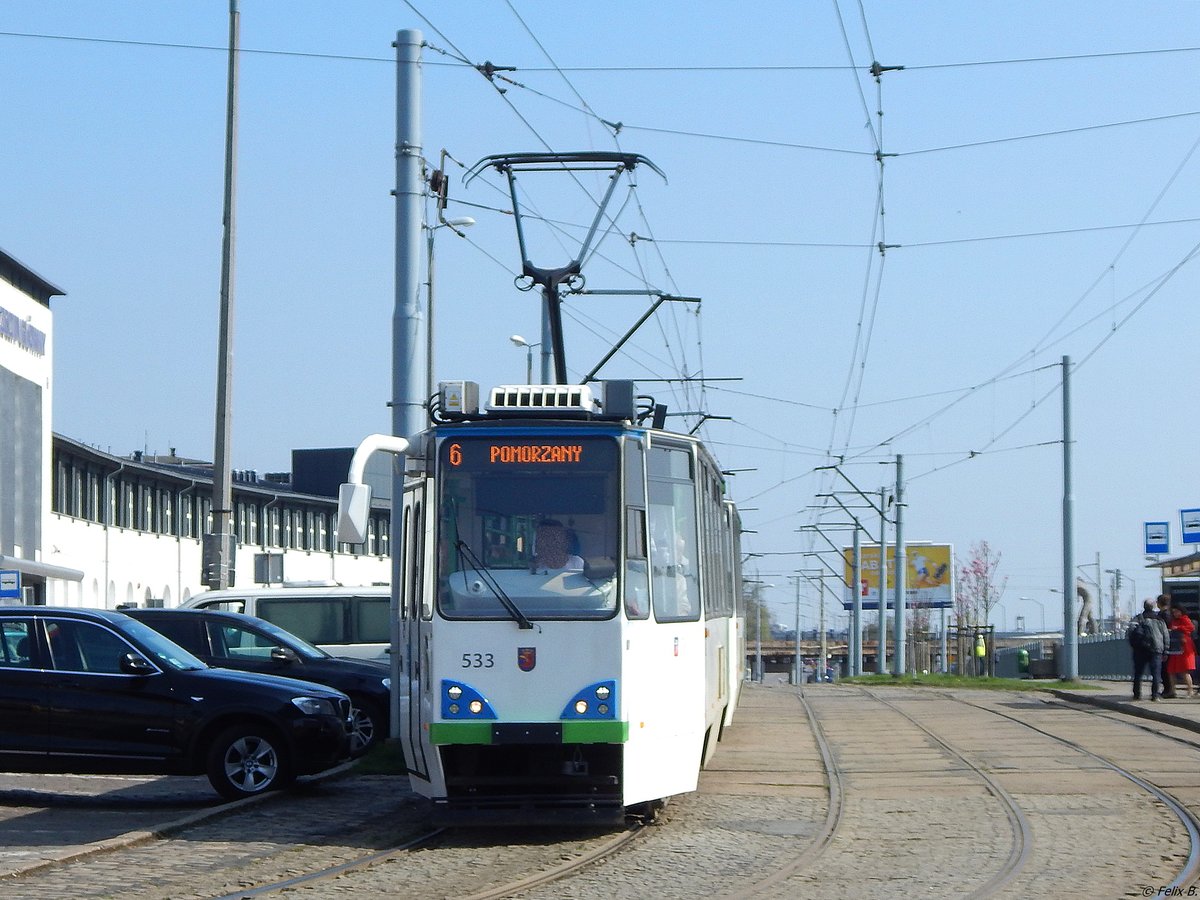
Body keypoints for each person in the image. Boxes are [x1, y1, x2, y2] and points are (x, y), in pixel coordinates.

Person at [1129, 599, 1168, 701]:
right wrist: (1166, 650)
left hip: (1140, 649)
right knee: (1156, 674)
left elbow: (1130, 632)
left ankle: (1137, 694)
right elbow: (1165, 635)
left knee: (1138, 673)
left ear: (1144, 606)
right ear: (1153, 606)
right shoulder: (1159, 619)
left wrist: (1135, 646)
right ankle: (1155, 695)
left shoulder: (1138, 618)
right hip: (1156, 649)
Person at [1166, 604, 1196, 698]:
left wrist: (1178, 628)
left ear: (1181, 611)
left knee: (1184, 671)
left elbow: (1191, 628)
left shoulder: (1185, 619)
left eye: (1176, 611)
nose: (1175, 613)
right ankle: (1173, 691)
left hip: (1184, 647)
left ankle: (1190, 691)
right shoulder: (1174, 620)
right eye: (1174, 612)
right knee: (1171, 670)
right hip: (1175, 648)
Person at [1157, 595, 1177, 698]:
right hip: (1168, 644)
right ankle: (1168, 689)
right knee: (1166, 669)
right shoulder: (1169, 614)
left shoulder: (1163, 615)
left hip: (1164, 644)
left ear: (1159, 603)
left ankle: (1168, 690)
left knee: (1165, 669)